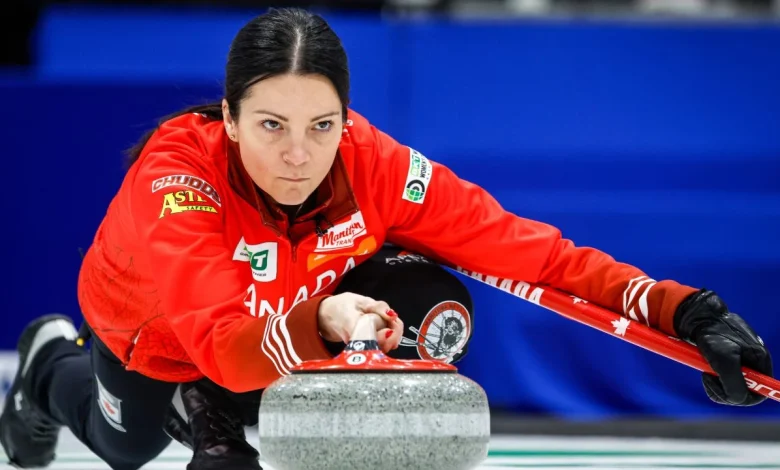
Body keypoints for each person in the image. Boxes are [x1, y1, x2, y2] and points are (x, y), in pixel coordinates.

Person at [0, 7, 773, 470]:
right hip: (163, 334)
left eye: (322, 126)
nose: (298, 155)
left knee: (431, 300)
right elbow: (226, 349)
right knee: (122, 449)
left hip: (284, 316)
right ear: (229, 121)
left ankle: (223, 414)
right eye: (270, 126)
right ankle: (47, 368)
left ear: (346, 121)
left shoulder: (375, 167)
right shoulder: (180, 181)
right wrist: (322, 321)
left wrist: (686, 314)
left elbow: (537, 259)